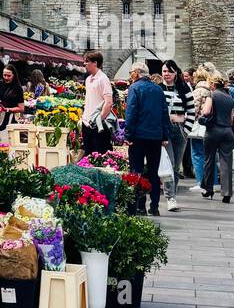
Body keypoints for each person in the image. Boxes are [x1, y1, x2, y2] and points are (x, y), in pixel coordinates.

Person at [123, 62, 172, 216]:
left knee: (136, 171)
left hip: (138, 136)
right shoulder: (158, 89)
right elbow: (165, 113)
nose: (131, 75)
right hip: (155, 137)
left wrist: (128, 135)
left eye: (132, 72)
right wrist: (165, 135)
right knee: (153, 172)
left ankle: (139, 205)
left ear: (137, 73)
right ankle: (155, 206)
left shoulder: (135, 88)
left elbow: (131, 112)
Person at [160, 60, 195, 213]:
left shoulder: (184, 88)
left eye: (169, 71)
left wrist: (186, 131)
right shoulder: (158, 89)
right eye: (164, 71)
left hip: (180, 130)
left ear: (175, 73)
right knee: (169, 164)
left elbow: (192, 110)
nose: (166, 74)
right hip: (165, 131)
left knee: (176, 165)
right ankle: (170, 197)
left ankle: (171, 193)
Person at [197, 73, 234, 204]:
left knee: (209, 159)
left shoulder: (211, 95)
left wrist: (202, 114)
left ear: (212, 85)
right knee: (226, 162)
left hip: (213, 131)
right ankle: (227, 193)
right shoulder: (230, 98)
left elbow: (206, 112)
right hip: (227, 131)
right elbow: (231, 119)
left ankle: (208, 189)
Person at [81, 52, 115, 156]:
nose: (84, 64)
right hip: (86, 122)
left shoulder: (103, 79)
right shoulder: (88, 79)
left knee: (99, 156)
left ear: (95, 63)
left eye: (87, 61)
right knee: (88, 155)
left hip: (98, 125)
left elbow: (109, 102)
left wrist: (98, 120)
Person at [0, 63, 26, 130]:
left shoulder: (18, 88)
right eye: (4, 75)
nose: (6, 78)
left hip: (11, 119)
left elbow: (21, 108)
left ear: (13, 75)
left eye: (9, 76)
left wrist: (7, 109)